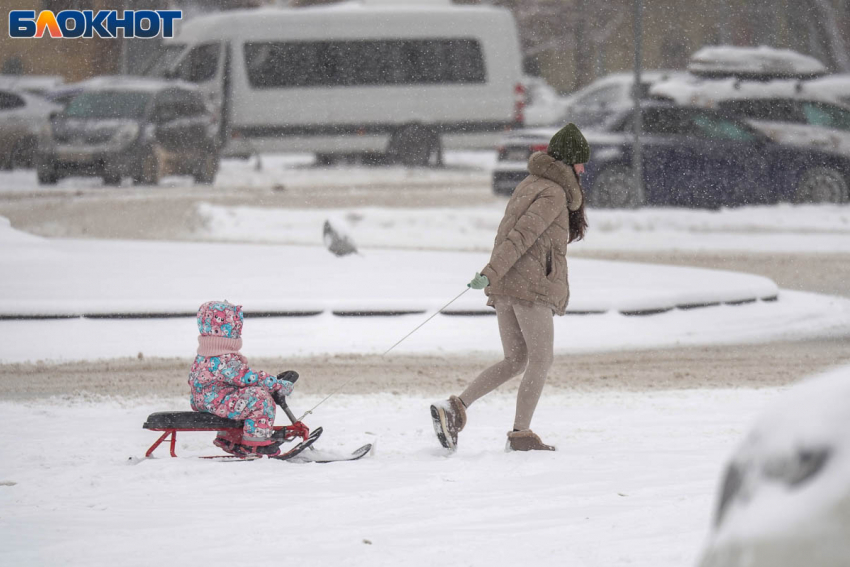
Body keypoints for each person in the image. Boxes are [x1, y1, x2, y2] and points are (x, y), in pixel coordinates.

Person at [430, 123, 589, 452]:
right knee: (541, 359)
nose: (583, 170)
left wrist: (494, 275)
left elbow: (510, 235)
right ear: (568, 161)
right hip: (529, 287)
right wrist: (490, 272)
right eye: (580, 162)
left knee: (516, 359)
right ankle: (520, 434)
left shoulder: (530, 184)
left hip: (509, 285)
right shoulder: (554, 193)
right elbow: (520, 237)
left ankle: (455, 408)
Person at [188, 300, 296, 457]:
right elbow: (248, 378)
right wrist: (278, 384)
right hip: (214, 400)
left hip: (207, 399)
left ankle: (230, 437)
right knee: (259, 399)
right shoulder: (222, 358)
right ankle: (256, 444)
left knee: (241, 397)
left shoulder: (206, 353)